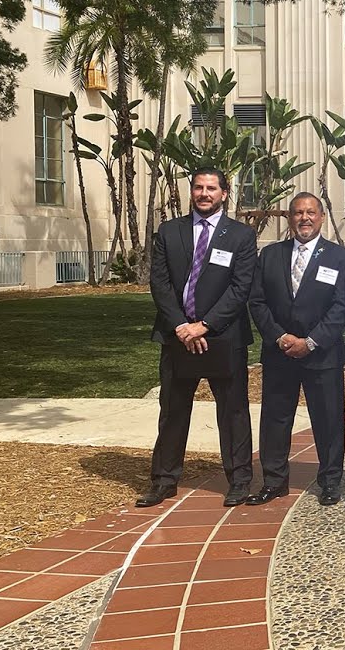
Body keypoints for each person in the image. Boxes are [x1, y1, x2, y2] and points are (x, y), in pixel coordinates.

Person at [139, 167, 258, 508]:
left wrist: (204, 325)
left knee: (233, 413)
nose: (204, 194)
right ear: (192, 192)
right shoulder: (169, 231)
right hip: (177, 336)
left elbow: (240, 288)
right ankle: (164, 480)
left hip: (223, 335)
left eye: (211, 188)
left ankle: (239, 479)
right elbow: (159, 284)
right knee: (173, 410)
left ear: (224, 193)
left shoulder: (240, 236)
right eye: (198, 188)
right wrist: (181, 326)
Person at [246, 193, 345, 507]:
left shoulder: (339, 257)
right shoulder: (270, 255)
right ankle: (274, 481)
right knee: (275, 419)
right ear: (289, 218)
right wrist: (279, 337)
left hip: (321, 354)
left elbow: (341, 306)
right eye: (297, 213)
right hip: (280, 353)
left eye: (310, 212)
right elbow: (257, 301)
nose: (304, 218)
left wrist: (310, 341)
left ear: (320, 217)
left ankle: (331, 481)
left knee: (329, 420)